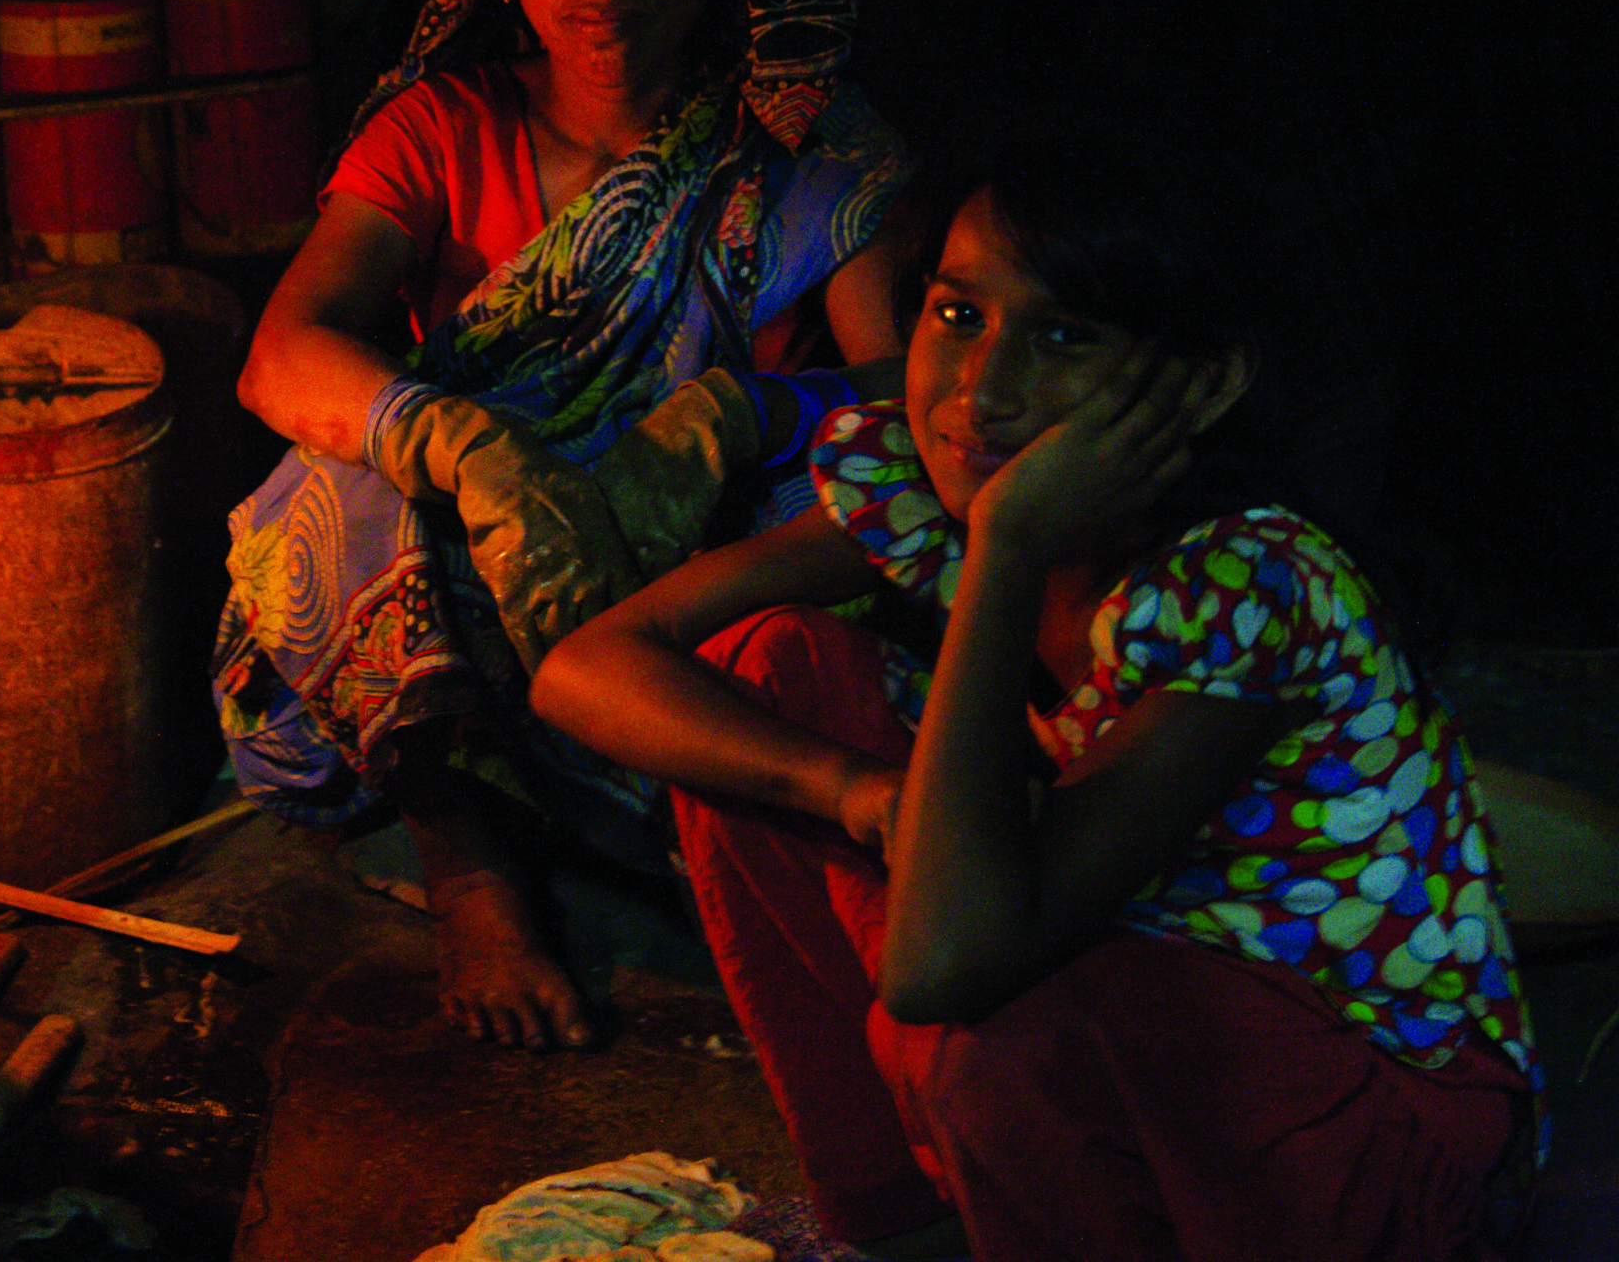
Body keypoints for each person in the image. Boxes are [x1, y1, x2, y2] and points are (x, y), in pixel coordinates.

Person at [534, 136, 1543, 1260]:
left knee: (996, 1033)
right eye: (958, 316)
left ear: (1201, 381)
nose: (983, 389)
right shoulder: (924, 488)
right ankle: (906, 1218)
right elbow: (584, 667)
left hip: (1352, 1130)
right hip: (1131, 1028)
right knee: (761, 674)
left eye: (1064, 336)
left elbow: (940, 969)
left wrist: (1008, 556)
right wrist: (856, 790)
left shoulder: (1248, 587)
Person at [212, 0, 913, 1052]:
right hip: (474, 595)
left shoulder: (817, 151)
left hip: (676, 592)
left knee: (849, 518)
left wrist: (744, 417)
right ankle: (475, 867)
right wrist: (465, 443)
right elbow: (284, 352)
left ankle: (701, 804)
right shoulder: (438, 130)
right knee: (336, 481)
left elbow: (916, 435)